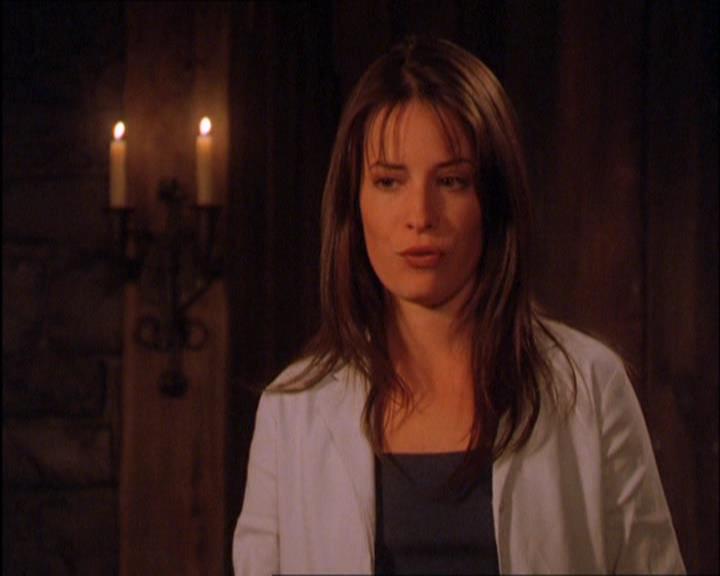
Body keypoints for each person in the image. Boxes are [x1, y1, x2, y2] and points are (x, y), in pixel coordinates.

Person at [232, 36, 685, 575]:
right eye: (389, 181)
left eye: (451, 181)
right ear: (354, 202)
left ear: (492, 198)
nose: (420, 215)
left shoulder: (589, 389)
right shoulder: (292, 412)